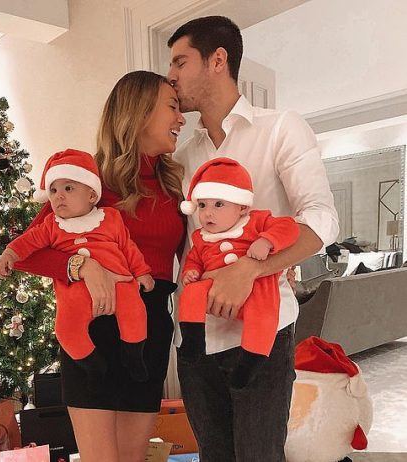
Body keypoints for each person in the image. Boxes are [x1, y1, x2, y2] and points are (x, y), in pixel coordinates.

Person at [166, 16, 339, 461]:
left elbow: (322, 219)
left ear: (217, 60)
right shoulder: (182, 158)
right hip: (196, 339)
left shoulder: (281, 128)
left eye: (180, 62)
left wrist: (250, 269)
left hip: (262, 334)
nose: (171, 75)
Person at [9, 70, 186, 462]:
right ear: (140, 112)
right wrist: (82, 266)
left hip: (147, 329)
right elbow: (24, 252)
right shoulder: (88, 182)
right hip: (92, 327)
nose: (181, 118)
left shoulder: (172, 186)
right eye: (172, 107)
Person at [0, 149, 155, 388]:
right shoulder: (51, 225)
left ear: (92, 195)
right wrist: (9, 254)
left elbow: (127, 246)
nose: (59, 196)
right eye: (53, 190)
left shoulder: (110, 218)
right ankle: (93, 365)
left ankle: (133, 355)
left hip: (120, 282)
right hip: (74, 292)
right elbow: (27, 242)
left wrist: (141, 272)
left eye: (68, 188)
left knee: (135, 312)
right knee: (66, 329)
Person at [178, 157, 300, 390]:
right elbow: (194, 258)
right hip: (215, 289)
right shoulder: (201, 237)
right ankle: (193, 339)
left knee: (263, 313)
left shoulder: (257, 221)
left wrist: (267, 241)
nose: (207, 213)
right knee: (191, 293)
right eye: (202, 206)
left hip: (255, 287)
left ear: (242, 207)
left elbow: (289, 227)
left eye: (218, 204)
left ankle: (252, 359)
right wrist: (191, 272)